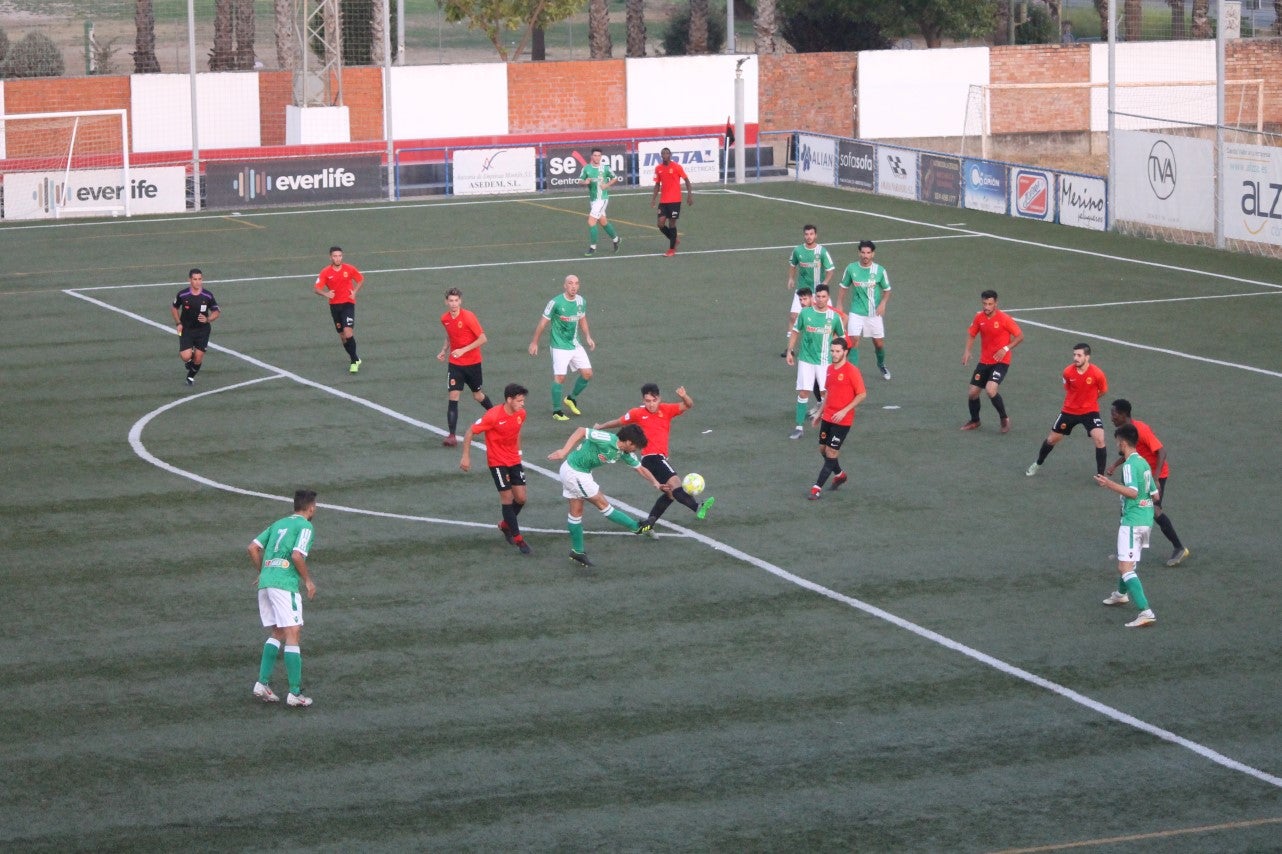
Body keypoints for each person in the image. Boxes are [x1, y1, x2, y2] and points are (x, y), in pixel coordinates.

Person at [595, 384, 714, 529]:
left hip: (659, 459)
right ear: (643, 400)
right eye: (647, 401)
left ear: (659, 399)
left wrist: (683, 395)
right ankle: (697, 507)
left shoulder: (667, 409)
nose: (651, 404)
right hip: (652, 458)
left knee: (670, 493)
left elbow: (688, 404)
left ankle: (648, 524)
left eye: (654, 400)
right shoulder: (637, 413)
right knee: (676, 483)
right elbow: (618, 422)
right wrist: (600, 426)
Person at [547, 424, 665, 568]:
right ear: (629, 442)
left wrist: (656, 483)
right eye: (636, 447)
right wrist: (563, 451)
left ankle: (577, 551)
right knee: (602, 503)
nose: (637, 450)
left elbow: (640, 468)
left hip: (579, 472)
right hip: (575, 472)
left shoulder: (624, 452)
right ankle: (636, 528)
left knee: (576, 512)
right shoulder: (608, 439)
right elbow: (581, 430)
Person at [248, 489, 319, 707]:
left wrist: (262, 572)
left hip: (266, 582)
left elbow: (253, 548)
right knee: (293, 632)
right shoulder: (306, 526)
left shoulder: (278, 523)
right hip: (283, 585)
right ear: (310, 507)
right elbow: (297, 555)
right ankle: (295, 693)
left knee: (278, 631)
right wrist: (307, 580)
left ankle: (262, 684)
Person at [1105, 399, 1190, 566]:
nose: (1111, 418)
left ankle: (1179, 548)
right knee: (1128, 508)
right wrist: (1115, 465)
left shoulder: (1141, 429)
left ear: (1123, 415)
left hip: (1154, 475)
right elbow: (1132, 451)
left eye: (1114, 414)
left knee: (1154, 511)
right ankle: (1127, 549)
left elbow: (1162, 452)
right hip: (1142, 472)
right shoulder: (1126, 431)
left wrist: (1156, 477)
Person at [1096, 424, 1158, 628]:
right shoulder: (1144, 463)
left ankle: (1145, 611)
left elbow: (1132, 492)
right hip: (1146, 520)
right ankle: (1121, 594)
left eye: (1117, 442)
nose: (1117, 445)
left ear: (1122, 442)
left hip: (1133, 522)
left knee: (1125, 567)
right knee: (1128, 563)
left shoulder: (1130, 465)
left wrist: (1109, 484)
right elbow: (1154, 494)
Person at [460, 383, 532, 555]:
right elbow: (470, 432)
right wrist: (465, 456)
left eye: (523, 400)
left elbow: (517, 431)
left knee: (521, 498)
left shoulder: (521, 414)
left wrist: (519, 452)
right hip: (497, 462)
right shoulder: (492, 416)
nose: (522, 404)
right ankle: (518, 539)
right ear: (509, 400)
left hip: (513, 460)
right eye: (520, 401)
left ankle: (505, 524)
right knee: (507, 498)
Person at [1026, 342, 1108, 477]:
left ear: (1087, 357)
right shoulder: (1067, 372)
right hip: (1069, 411)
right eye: (1074, 354)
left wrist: (1090, 400)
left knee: (1099, 439)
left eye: (1079, 355)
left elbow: (1103, 390)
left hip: (1090, 411)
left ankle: (1101, 476)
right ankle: (1038, 463)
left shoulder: (1097, 373)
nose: (1075, 358)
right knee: (1052, 440)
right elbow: (1068, 388)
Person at [529, 274, 594, 422]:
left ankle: (571, 398)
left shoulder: (581, 301)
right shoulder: (555, 303)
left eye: (576, 283)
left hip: (575, 344)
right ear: (565, 285)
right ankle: (557, 411)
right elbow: (542, 323)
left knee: (587, 374)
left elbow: (582, 319)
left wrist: (588, 337)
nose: (573, 286)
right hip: (559, 346)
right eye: (570, 283)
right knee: (560, 377)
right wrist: (534, 342)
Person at [809, 337, 867, 500]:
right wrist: (819, 413)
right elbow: (828, 394)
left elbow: (862, 394)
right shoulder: (829, 369)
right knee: (823, 449)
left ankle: (816, 488)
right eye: (832, 351)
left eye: (837, 351)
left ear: (845, 352)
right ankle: (840, 474)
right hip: (828, 417)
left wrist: (845, 410)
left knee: (831, 451)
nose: (834, 354)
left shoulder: (852, 371)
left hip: (843, 420)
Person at [785, 284, 846, 440]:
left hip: (824, 362)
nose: (820, 299)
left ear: (828, 298)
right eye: (818, 296)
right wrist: (790, 351)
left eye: (823, 296)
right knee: (804, 391)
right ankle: (799, 427)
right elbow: (795, 332)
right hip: (806, 360)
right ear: (814, 298)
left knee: (826, 393)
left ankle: (830, 424)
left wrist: (840, 357)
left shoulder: (833, 317)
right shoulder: (805, 314)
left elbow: (841, 338)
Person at [961, 289, 1023, 433]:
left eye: (990, 304)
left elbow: (1020, 336)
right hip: (985, 361)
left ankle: (1004, 419)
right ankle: (975, 421)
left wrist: (1006, 348)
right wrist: (967, 351)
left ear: (996, 303)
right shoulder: (979, 318)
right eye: (984, 303)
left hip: (1001, 361)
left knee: (990, 389)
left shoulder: (1004, 319)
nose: (987, 307)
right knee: (972, 393)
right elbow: (971, 334)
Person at [438, 287, 493, 447]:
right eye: (451, 301)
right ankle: (452, 435)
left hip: (473, 364)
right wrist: (444, 350)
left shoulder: (469, 317)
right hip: (455, 365)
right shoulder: (445, 319)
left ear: (460, 301)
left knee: (478, 395)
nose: (454, 304)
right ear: (446, 302)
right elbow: (450, 335)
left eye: (456, 301)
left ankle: (498, 415)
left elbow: (483, 338)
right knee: (453, 396)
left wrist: (463, 350)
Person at [838, 239, 892, 380]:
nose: (865, 255)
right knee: (854, 340)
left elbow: (887, 290)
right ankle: (854, 372)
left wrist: (883, 303)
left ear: (873, 254)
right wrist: (839, 303)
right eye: (863, 252)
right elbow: (843, 287)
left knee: (879, 344)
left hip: (874, 313)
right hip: (856, 311)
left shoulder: (879, 271)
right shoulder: (851, 268)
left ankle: (881, 364)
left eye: (868, 253)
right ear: (859, 253)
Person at [784, 224, 836, 354]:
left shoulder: (822, 251)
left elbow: (831, 270)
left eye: (811, 234)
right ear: (804, 235)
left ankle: (832, 347)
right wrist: (791, 278)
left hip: (819, 292)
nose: (809, 237)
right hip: (802, 290)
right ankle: (790, 348)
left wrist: (824, 283)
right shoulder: (797, 250)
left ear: (815, 235)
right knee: (793, 316)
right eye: (806, 234)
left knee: (830, 318)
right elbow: (792, 264)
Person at [313, 245, 365, 373]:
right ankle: (355, 357)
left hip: (348, 303)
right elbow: (316, 288)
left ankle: (353, 362)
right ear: (330, 257)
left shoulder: (349, 269)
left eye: (339, 256)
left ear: (342, 256)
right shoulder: (325, 272)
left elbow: (360, 279)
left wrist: (355, 292)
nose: (337, 258)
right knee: (342, 335)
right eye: (335, 256)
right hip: (335, 306)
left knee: (348, 332)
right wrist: (326, 294)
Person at [171, 267, 220, 386]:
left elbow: (216, 311)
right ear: (190, 280)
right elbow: (174, 307)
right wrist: (178, 323)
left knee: (198, 358)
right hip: (186, 329)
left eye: (200, 279)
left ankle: (190, 377)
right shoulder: (183, 294)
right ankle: (190, 361)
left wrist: (208, 319)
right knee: (185, 356)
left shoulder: (207, 296)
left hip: (203, 330)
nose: (198, 282)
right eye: (195, 279)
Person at [650, 147, 693, 257]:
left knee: (672, 223)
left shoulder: (677, 167)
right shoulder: (658, 168)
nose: (665, 155)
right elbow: (657, 185)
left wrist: (689, 195)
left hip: (675, 201)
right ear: (661, 156)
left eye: (667, 153)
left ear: (670, 155)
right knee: (660, 224)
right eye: (663, 153)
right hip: (663, 201)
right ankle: (674, 239)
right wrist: (653, 199)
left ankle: (671, 249)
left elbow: (687, 181)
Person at [579, 148, 621, 256]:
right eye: (595, 155)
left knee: (591, 221)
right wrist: (585, 182)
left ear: (601, 157)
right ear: (591, 157)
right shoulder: (586, 168)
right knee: (603, 222)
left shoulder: (605, 168)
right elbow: (580, 180)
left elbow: (615, 178)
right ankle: (616, 239)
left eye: (599, 155)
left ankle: (593, 247)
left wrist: (606, 185)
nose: (597, 157)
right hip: (593, 200)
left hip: (602, 199)